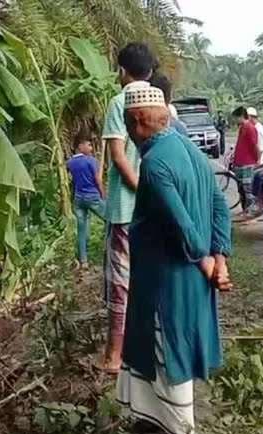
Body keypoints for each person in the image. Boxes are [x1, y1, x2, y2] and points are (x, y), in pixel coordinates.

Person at [117, 85, 232, 434]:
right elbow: (219, 206)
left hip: (167, 277)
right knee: (163, 348)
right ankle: (159, 423)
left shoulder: (153, 162)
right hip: (188, 272)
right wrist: (221, 258)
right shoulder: (191, 151)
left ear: (136, 122)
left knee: (168, 351)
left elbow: (180, 222)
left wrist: (205, 259)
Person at [98, 42, 157, 373]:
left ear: (122, 70)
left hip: (125, 208)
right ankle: (144, 348)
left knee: (120, 281)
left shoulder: (120, 101)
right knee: (148, 276)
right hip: (152, 210)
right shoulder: (161, 101)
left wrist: (141, 189)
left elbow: (119, 157)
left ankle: (113, 355)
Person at [67, 131, 105, 268]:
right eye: (89, 145)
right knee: (111, 220)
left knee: (81, 229)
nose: (91, 148)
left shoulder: (70, 162)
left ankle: (83, 260)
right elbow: (98, 180)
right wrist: (103, 194)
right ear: (80, 146)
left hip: (78, 198)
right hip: (92, 197)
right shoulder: (91, 161)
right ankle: (109, 248)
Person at [231, 106, 260, 219]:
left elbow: (255, 145)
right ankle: (245, 210)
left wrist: (257, 160)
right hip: (240, 163)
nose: (235, 120)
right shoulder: (242, 127)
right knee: (242, 189)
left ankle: (251, 212)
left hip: (247, 163)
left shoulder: (250, 128)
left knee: (248, 189)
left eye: (236, 118)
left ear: (241, 116)